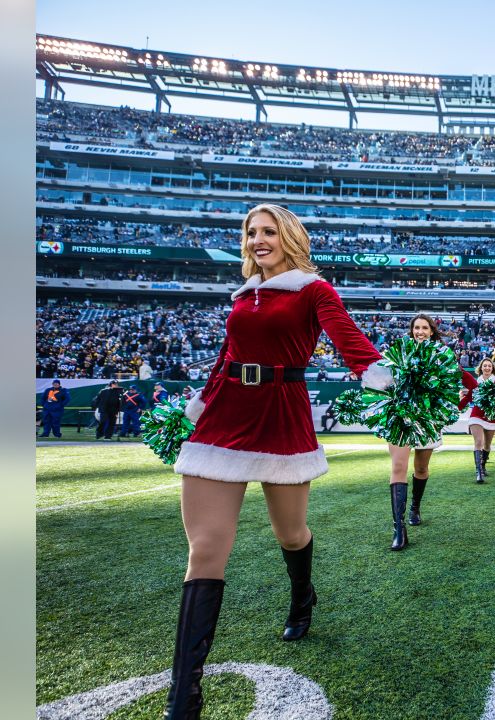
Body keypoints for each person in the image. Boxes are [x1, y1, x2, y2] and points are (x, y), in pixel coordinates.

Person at [164, 204, 389, 719]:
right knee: (204, 549)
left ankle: (302, 596)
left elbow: (343, 332)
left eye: (268, 231)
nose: (257, 240)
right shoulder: (243, 296)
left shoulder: (313, 288)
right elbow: (226, 357)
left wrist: (372, 368)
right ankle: (184, 698)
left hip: (281, 413)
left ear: (288, 237)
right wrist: (197, 403)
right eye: (250, 233)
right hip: (223, 416)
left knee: (291, 533)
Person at [382, 314, 475, 550]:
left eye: (424, 327)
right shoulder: (399, 351)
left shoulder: (442, 355)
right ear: (411, 330)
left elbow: (466, 381)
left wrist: (453, 398)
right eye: (416, 327)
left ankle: (415, 507)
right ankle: (398, 528)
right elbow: (383, 379)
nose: (420, 331)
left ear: (432, 331)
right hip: (400, 416)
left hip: (427, 418)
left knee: (421, 468)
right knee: (398, 467)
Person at [460, 358, 495, 484]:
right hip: (477, 415)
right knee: (478, 442)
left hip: (491, 416)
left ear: (492, 368)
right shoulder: (476, 383)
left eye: (489, 366)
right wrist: (456, 408)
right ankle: (478, 473)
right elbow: (469, 397)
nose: (487, 368)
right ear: (481, 368)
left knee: (487, 445)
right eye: (484, 366)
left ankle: (483, 465)